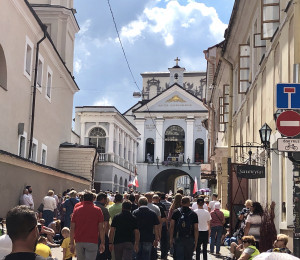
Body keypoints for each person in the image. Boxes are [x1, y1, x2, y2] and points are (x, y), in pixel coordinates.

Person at [70, 191, 105, 260]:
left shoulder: (77, 210)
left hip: (79, 240)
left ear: (83, 199)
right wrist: (102, 243)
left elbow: (72, 228)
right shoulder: (98, 210)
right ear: (93, 199)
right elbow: (101, 228)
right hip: (92, 241)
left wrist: (71, 243)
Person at [94, 192, 111, 260]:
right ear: (103, 199)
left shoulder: (92, 206)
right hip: (100, 236)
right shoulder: (104, 209)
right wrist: (105, 238)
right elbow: (106, 225)